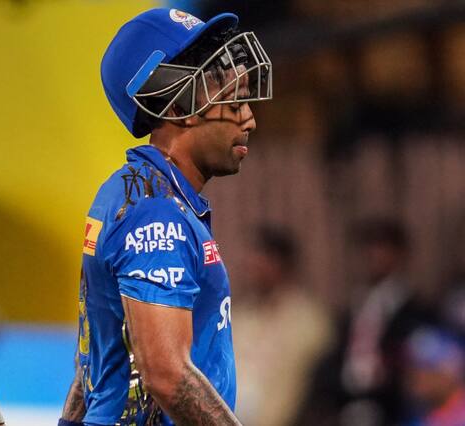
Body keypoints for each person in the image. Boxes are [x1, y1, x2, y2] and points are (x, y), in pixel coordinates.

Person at [59, 7, 271, 426]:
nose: (249, 117)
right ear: (180, 105)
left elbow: (97, 361)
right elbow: (166, 374)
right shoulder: (156, 214)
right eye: (232, 99)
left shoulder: (129, 193)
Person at [298, 218, 436, 426]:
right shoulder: (356, 307)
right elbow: (335, 360)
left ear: (400, 254)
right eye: (370, 249)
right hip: (345, 406)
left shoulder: (415, 312)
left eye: (383, 248)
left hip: (390, 410)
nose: (375, 256)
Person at [232, 226, 331, 426]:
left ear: (280, 265)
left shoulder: (309, 322)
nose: (251, 269)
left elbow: (304, 391)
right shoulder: (239, 317)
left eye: (260, 262)